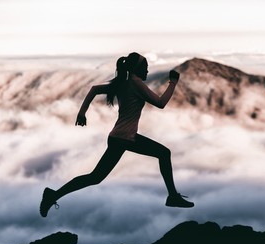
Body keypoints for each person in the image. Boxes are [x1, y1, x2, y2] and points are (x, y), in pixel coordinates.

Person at [40, 52, 194, 218]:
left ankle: (53, 195)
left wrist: (82, 113)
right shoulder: (135, 83)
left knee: (94, 177)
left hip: (117, 138)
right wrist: (173, 82)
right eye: (146, 68)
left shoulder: (123, 82)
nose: (148, 72)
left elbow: (94, 90)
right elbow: (161, 103)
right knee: (164, 153)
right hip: (126, 138)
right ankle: (172, 196)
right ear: (137, 69)